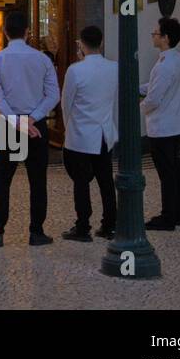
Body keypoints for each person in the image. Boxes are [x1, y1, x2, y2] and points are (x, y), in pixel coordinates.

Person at [0, 9, 59, 247]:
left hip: (9, 125)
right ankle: (36, 231)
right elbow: (53, 95)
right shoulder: (42, 59)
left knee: (3, 178)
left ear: (5, 32)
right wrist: (32, 119)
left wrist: (16, 121)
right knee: (37, 180)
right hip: (35, 126)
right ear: (27, 32)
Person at [60, 25, 118, 242]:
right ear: (101, 43)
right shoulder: (114, 67)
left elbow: (67, 102)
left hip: (81, 135)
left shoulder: (75, 71)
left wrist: (68, 127)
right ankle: (110, 223)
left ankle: (83, 225)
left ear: (81, 44)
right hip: (104, 132)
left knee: (81, 182)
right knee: (106, 181)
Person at [142, 16, 180, 231]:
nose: (153, 36)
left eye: (156, 33)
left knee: (167, 173)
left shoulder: (165, 65)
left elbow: (154, 97)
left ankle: (168, 216)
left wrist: (137, 110)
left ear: (165, 38)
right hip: (176, 123)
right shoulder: (177, 59)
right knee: (175, 170)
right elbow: (154, 87)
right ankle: (176, 213)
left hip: (162, 126)